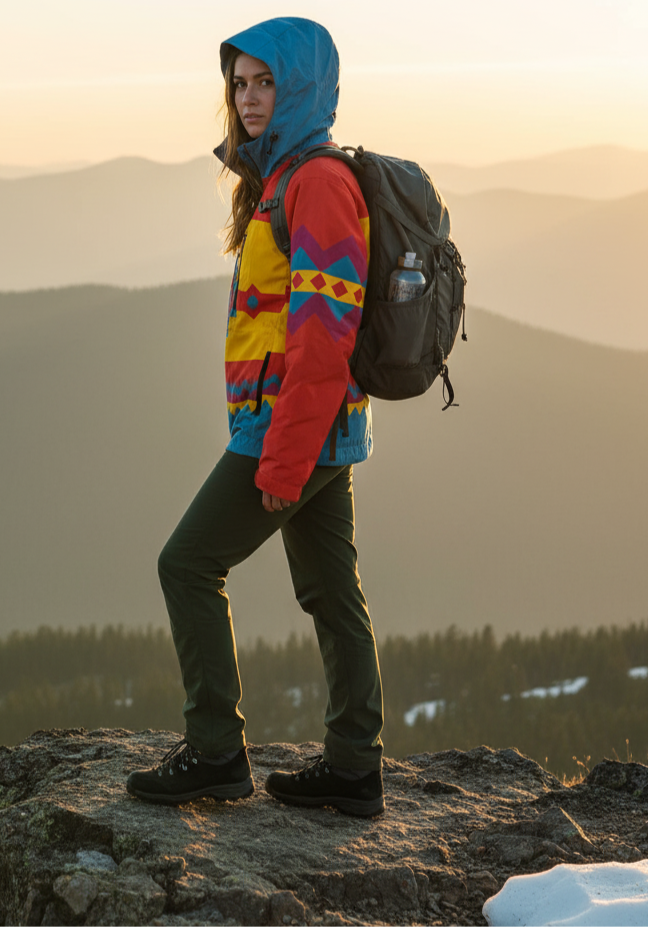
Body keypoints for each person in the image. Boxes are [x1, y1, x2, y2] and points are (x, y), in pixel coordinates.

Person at [126, 17, 384, 817]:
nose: (246, 98)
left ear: (299, 87)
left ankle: (214, 750)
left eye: (265, 82)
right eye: (238, 83)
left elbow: (323, 332)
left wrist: (282, 457)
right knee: (331, 591)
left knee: (187, 564)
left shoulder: (318, 183)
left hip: (291, 426)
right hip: (315, 426)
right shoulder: (283, 179)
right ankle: (353, 766)